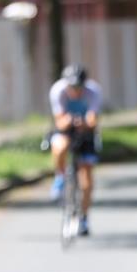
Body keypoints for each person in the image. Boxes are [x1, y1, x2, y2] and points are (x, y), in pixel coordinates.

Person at [48, 64, 103, 235]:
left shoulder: (94, 92)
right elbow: (60, 121)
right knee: (60, 146)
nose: (75, 91)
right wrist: (74, 121)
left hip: (86, 132)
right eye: (71, 87)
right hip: (66, 130)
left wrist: (83, 122)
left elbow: (93, 120)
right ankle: (59, 176)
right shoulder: (57, 91)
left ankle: (84, 219)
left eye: (78, 87)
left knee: (86, 181)